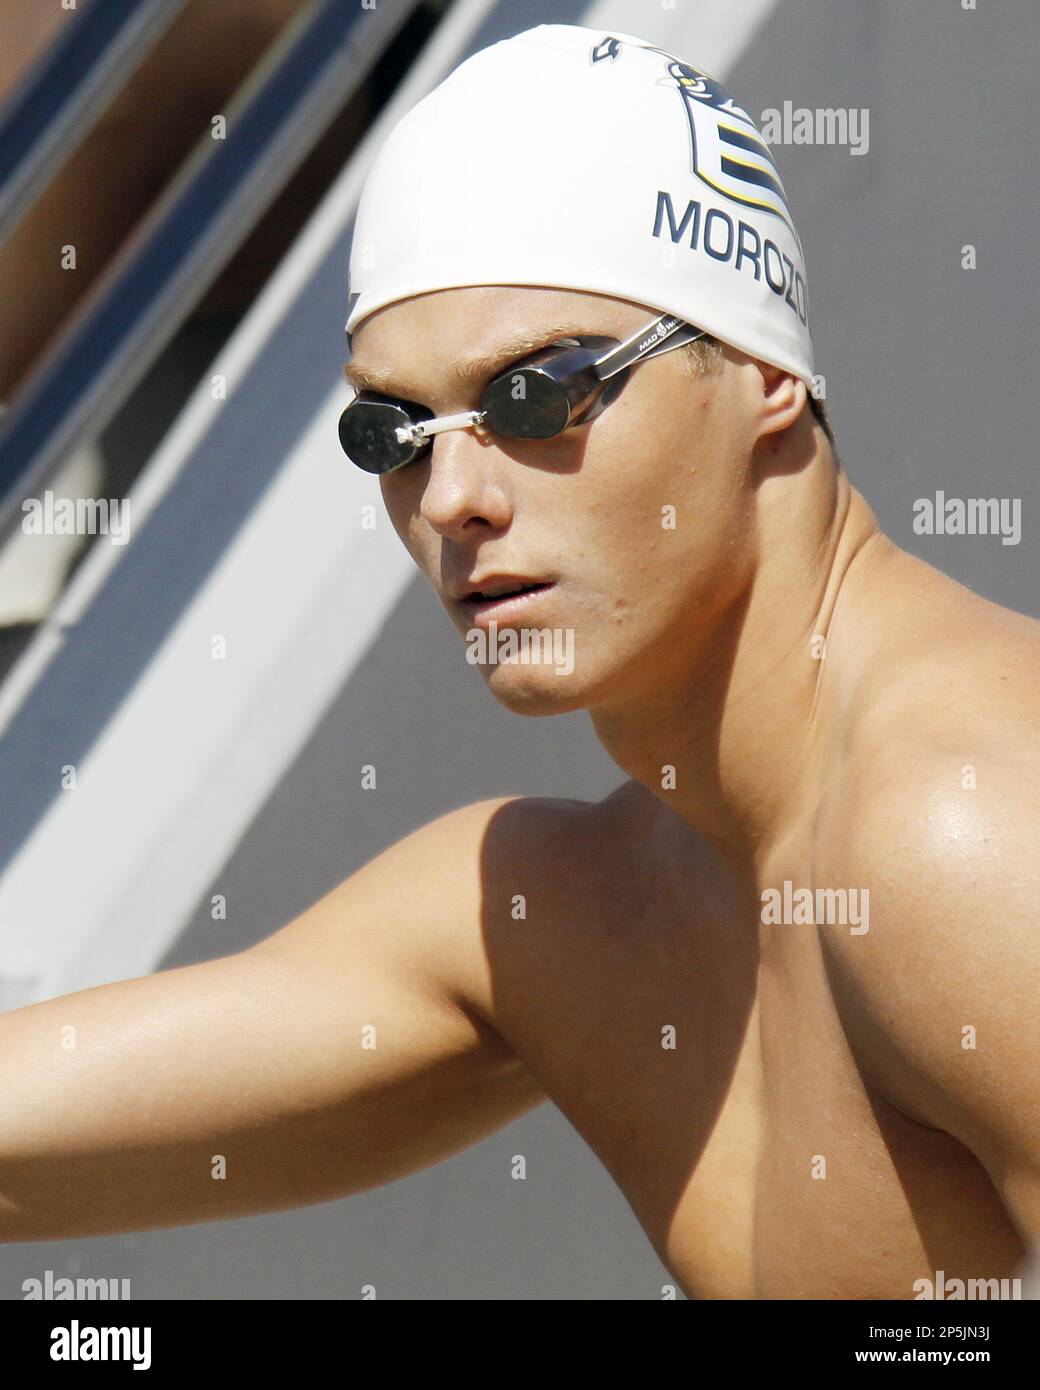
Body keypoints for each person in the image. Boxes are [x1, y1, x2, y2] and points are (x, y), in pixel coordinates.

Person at [1, 24, 1037, 1302]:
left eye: (534, 397)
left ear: (763, 372)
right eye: (391, 431)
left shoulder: (965, 830)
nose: (450, 496)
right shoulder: (557, 915)